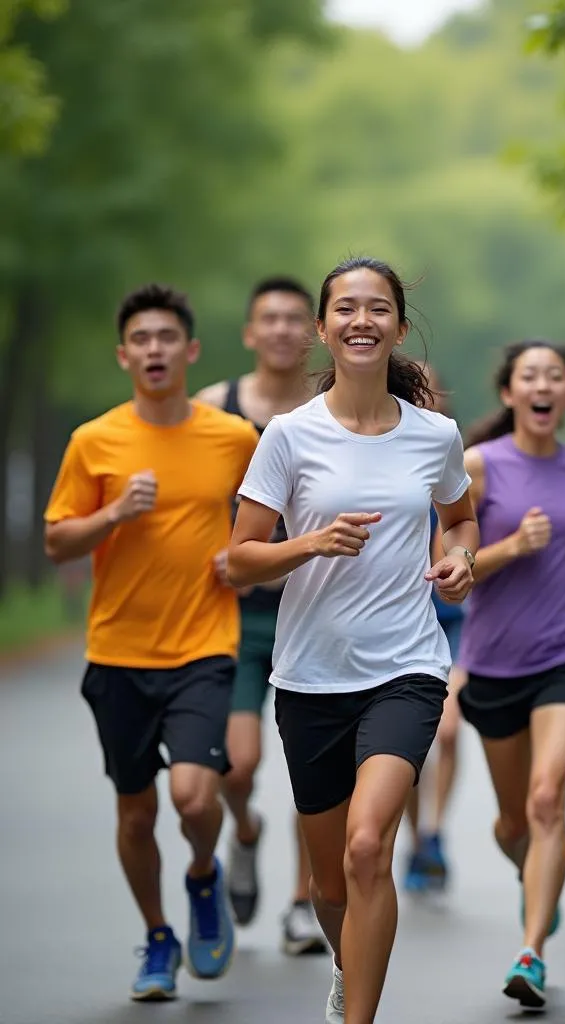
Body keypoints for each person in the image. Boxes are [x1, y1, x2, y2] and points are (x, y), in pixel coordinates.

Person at [226, 257, 478, 1024]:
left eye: (377, 309)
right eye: (345, 309)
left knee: (369, 848)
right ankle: (349, 967)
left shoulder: (435, 435)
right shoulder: (288, 437)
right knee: (330, 884)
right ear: (322, 329)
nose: (361, 320)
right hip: (309, 678)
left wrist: (460, 556)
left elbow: (460, 517)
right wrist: (310, 544)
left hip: (406, 668)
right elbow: (240, 558)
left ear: (399, 327)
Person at [43, 283, 257, 1001]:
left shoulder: (232, 437)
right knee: (135, 813)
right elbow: (55, 539)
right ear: (124, 355)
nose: (155, 349)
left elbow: (274, 512)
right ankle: (158, 936)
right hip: (118, 652)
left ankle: (203, 875)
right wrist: (110, 516)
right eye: (142, 339)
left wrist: (245, 556)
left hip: (204, 644)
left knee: (196, 800)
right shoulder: (94, 441)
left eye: (168, 337)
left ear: (191, 351)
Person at [457, 340, 565, 1009]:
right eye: (529, 377)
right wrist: (513, 546)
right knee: (513, 824)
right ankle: (535, 876)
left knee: (548, 799)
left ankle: (531, 950)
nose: (543, 387)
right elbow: (450, 574)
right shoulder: (478, 467)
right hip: (493, 664)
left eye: (555, 378)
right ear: (510, 392)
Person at [194, 275, 326, 955]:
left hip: (319, 607)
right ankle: (244, 833)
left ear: (314, 332)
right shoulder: (214, 407)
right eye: (268, 320)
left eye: (294, 320)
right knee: (236, 767)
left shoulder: (334, 407)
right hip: (238, 615)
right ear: (249, 333)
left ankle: (304, 901)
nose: (281, 330)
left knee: (316, 769)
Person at [403, 363, 467, 894]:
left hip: (455, 620)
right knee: (408, 746)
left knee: (446, 730)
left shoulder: (448, 449)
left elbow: (468, 522)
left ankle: (435, 830)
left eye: (430, 387)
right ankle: (414, 837)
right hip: (400, 617)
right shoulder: (377, 449)